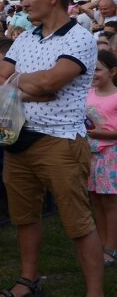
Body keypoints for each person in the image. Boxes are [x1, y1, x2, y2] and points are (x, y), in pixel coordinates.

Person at [0, 0, 103, 297]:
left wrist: (19, 83)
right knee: (25, 217)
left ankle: (95, 293)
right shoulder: (24, 38)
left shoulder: (79, 37)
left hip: (61, 142)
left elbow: (54, 81)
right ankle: (28, 281)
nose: (24, 3)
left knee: (78, 223)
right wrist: (33, 86)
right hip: (18, 138)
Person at [86, 50, 117, 268]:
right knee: (96, 200)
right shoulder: (88, 93)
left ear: (113, 71)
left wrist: (98, 134)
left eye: (98, 69)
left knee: (110, 203)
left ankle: (111, 246)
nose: (93, 73)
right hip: (90, 155)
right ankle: (100, 241)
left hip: (110, 155)